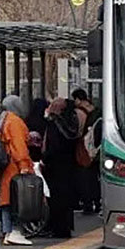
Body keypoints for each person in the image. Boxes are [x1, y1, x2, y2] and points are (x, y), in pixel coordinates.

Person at [0, 95, 35, 245]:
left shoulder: (4, 120)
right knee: (19, 200)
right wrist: (24, 165)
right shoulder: (15, 122)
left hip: (6, 168)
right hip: (15, 167)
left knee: (7, 200)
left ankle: (7, 231)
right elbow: (19, 146)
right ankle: (15, 230)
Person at [42, 98, 83, 238]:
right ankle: (66, 227)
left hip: (55, 167)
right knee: (67, 199)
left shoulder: (54, 123)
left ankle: (57, 228)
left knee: (56, 198)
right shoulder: (71, 121)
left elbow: (51, 147)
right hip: (69, 165)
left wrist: (45, 160)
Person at [73, 89, 102, 215]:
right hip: (97, 149)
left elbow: (79, 132)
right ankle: (97, 202)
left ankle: (88, 203)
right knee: (96, 177)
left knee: (86, 177)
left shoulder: (79, 112)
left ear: (78, 99)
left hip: (86, 149)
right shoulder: (94, 111)